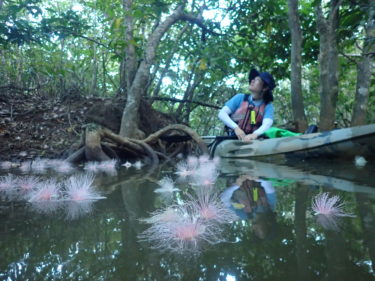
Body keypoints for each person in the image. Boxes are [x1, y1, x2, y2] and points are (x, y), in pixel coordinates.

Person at [218, 68, 276, 142]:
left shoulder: (267, 106)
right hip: (233, 139)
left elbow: (267, 124)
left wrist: (254, 135)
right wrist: (236, 128)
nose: (252, 81)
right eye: (253, 79)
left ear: (265, 88)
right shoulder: (240, 98)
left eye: (257, 80)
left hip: (254, 141)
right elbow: (222, 113)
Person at [221, 174, 278, 240]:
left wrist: (236, 185)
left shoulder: (244, 215)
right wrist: (254, 177)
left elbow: (224, 200)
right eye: (258, 232)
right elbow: (268, 185)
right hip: (254, 173)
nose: (254, 229)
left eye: (254, 232)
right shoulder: (270, 206)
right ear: (269, 225)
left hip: (232, 175)